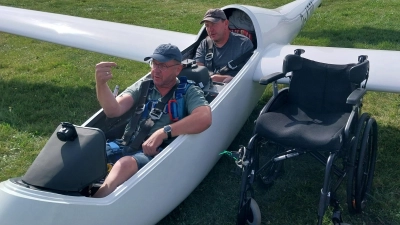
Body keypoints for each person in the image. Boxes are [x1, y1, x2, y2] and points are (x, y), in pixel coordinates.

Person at [93, 44, 212, 198]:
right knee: (89, 148)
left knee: (124, 165)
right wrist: (101, 84)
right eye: (154, 63)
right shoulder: (144, 86)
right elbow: (113, 110)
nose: (156, 69)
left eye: (162, 65)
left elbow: (204, 117)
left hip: (156, 153)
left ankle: (97, 200)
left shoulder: (189, 91)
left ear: (178, 69)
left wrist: (164, 132)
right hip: (125, 145)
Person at [195, 8, 254, 83]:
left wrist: (229, 79)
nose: (210, 29)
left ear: (226, 23)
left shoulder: (243, 44)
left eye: (214, 24)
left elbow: (250, 74)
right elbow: (199, 71)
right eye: (207, 25)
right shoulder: (204, 44)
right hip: (207, 87)